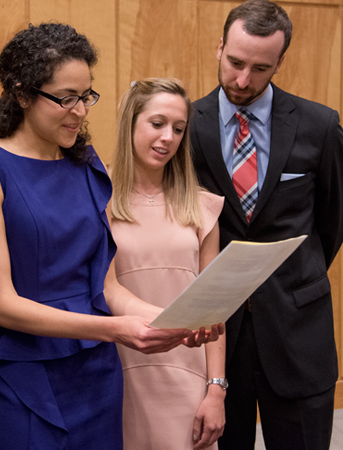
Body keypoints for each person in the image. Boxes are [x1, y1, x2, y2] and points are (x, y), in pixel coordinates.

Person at [0, 23, 223, 450]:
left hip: (96, 373)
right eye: (65, 98)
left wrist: (166, 321)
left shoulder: (86, 167)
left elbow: (105, 285)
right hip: (27, 371)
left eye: (86, 97)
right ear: (23, 94)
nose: (80, 111)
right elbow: (2, 305)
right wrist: (115, 330)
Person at [189, 1, 343, 449]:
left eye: (260, 68)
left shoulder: (319, 126)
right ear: (219, 47)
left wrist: (296, 273)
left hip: (299, 331)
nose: (243, 80)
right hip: (220, 340)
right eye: (235, 63)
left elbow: (332, 219)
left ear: (281, 62)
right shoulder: (187, 126)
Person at [111, 78, 226, 450]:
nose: (168, 138)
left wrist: (216, 390)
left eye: (178, 129)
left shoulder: (202, 206)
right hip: (118, 374)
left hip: (187, 379)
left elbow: (214, 307)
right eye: (157, 123)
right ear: (131, 123)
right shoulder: (95, 200)